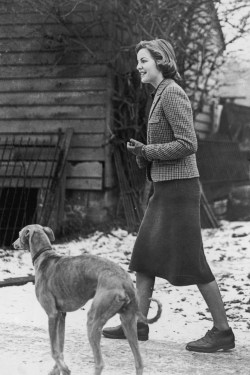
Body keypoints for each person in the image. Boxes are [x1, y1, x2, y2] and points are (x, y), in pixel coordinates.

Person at [103, 39, 235, 352]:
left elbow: (189, 143)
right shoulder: (159, 93)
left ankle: (222, 330)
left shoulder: (172, 92)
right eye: (138, 61)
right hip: (166, 187)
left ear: (161, 60)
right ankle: (138, 322)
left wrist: (148, 150)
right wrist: (144, 153)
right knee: (145, 256)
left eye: (144, 60)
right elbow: (170, 145)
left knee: (193, 261)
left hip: (180, 189)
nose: (138, 66)